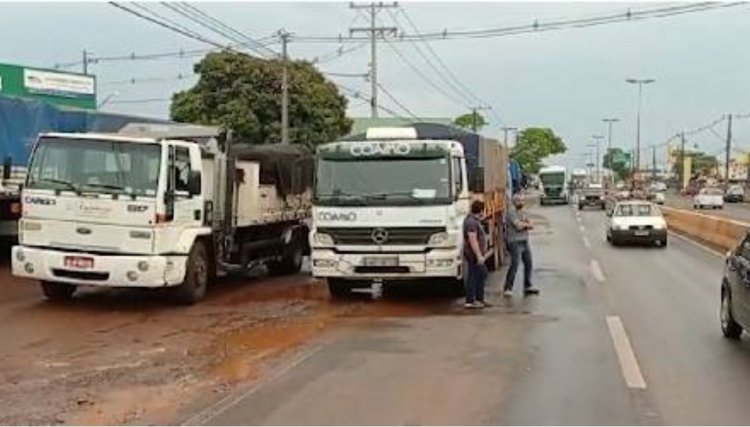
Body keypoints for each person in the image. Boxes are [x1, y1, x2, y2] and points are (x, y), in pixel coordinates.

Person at [504, 194, 540, 297]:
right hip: (514, 241)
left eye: (523, 201)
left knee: (528, 263)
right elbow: (518, 226)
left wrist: (526, 224)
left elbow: (530, 223)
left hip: (524, 240)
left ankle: (527, 286)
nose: (522, 203)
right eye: (520, 201)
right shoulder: (511, 212)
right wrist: (526, 225)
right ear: (515, 201)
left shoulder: (523, 212)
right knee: (515, 264)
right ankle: (508, 287)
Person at [463, 200, 493, 309]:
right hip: (473, 254)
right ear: (480, 210)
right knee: (479, 275)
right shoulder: (471, 222)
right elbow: (473, 240)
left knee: (477, 275)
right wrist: (479, 255)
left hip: (474, 253)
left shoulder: (474, 220)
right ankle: (471, 300)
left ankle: (478, 300)